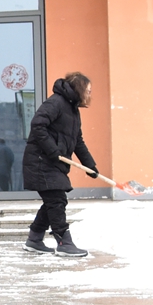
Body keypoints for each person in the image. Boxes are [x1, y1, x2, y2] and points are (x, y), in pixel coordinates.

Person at [21, 71, 98, 257]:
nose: (90, 95)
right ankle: (64, 242)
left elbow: (77, 140)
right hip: (41, 161)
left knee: (53, 200)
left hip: (53, 163)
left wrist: (90, 166)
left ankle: (35, 239)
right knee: (57, 200)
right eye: (88, 91)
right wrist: (53, 151)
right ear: (79, 89)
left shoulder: (73, 110)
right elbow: (37, 125)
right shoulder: (56, 102)